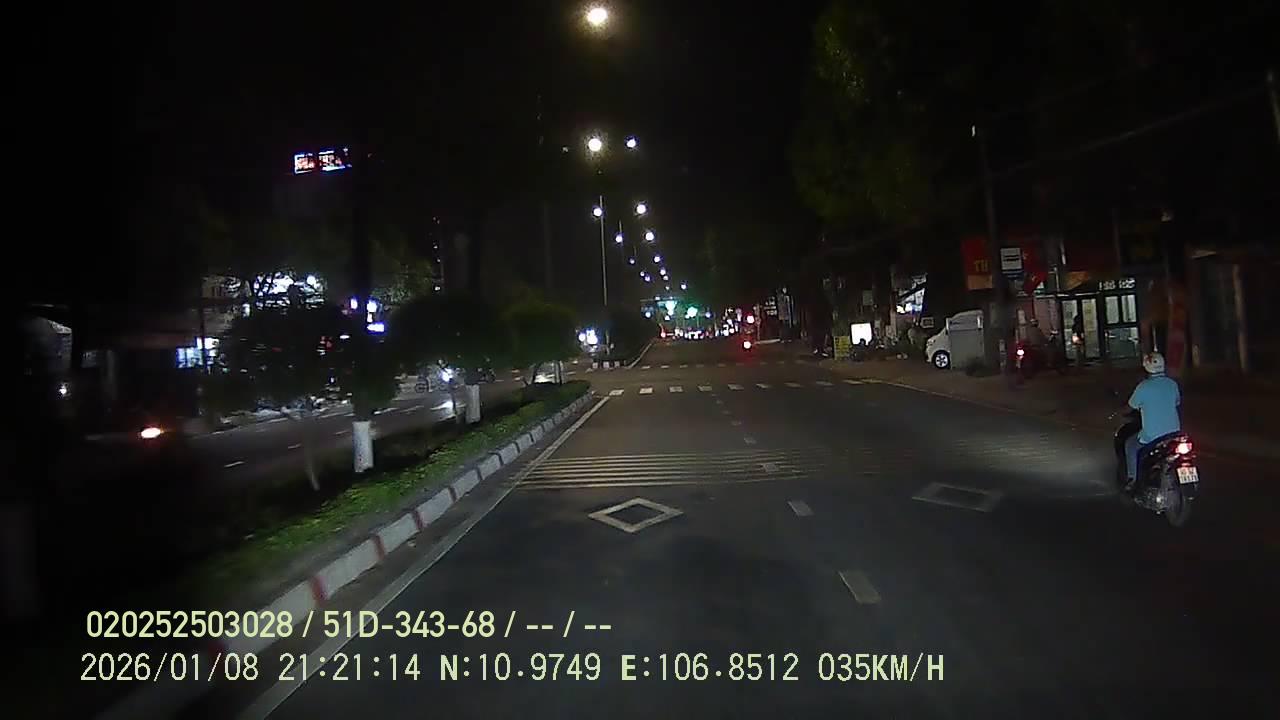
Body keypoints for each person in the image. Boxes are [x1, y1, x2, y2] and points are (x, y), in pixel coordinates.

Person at [1124, 351, 1182, 489]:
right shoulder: (1172, 384)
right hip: (1174, 434)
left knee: (1130, 445)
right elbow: (1177, 402)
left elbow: (1129, 407)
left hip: (1152, 436)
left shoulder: (1143, 387)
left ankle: (1133, 480)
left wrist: (1120, 411)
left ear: (1146, 367)